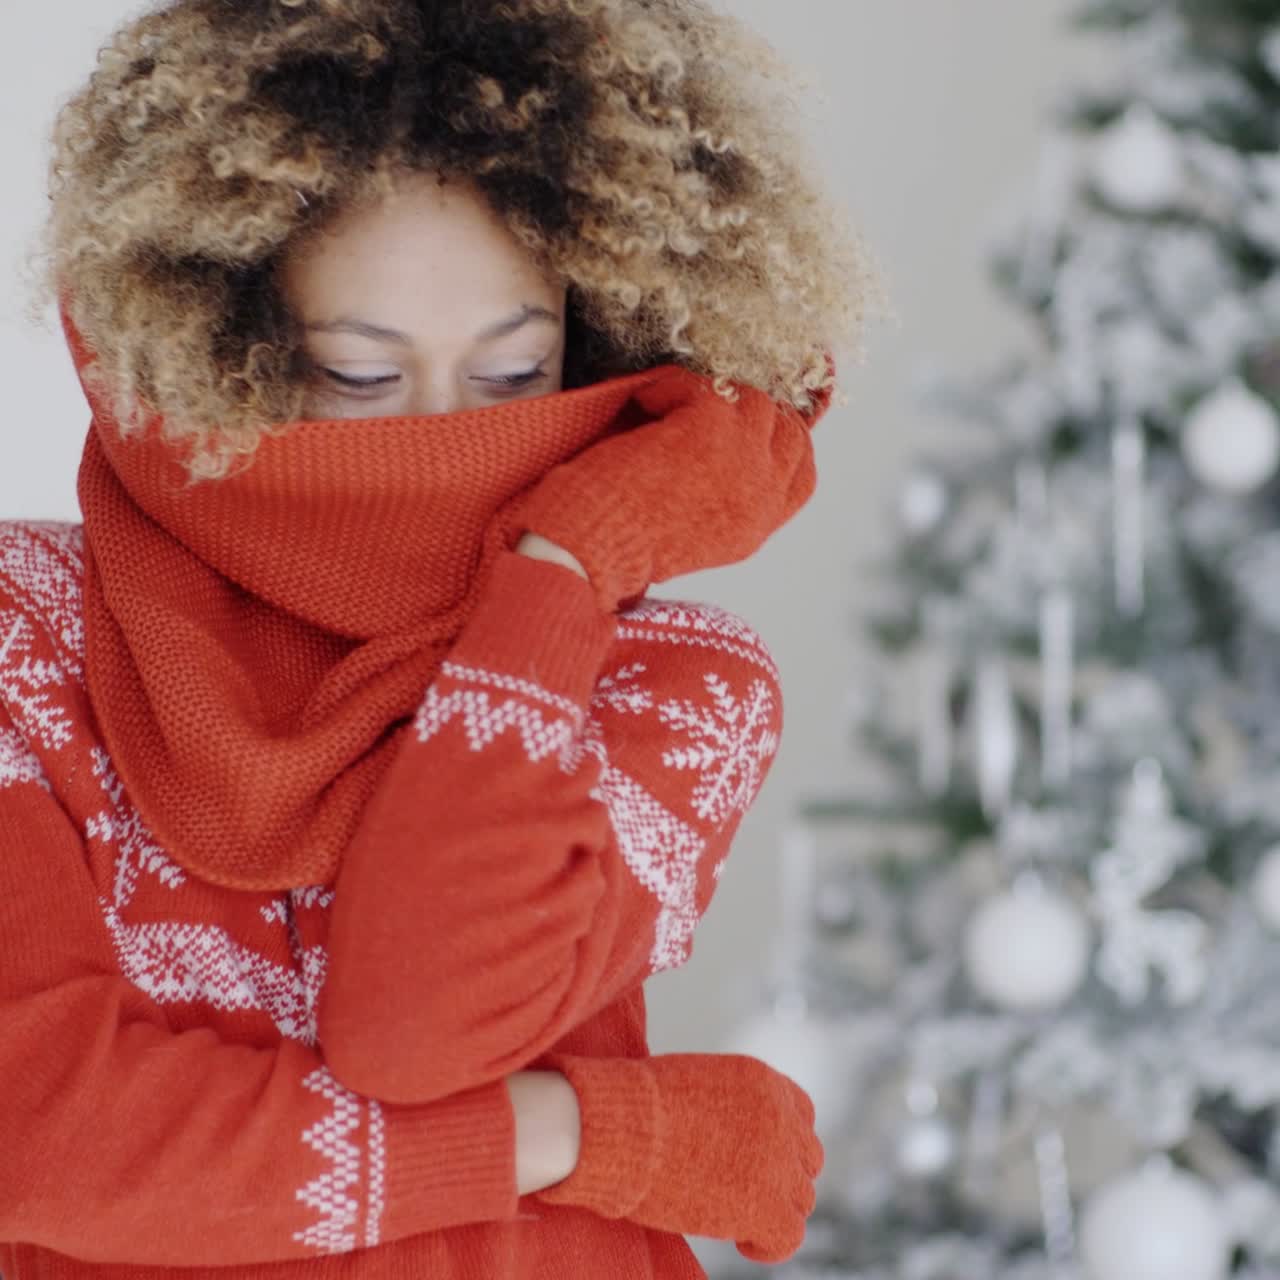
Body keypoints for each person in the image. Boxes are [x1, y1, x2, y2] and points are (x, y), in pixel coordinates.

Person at [0, 2, 876, 1278]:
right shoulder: (28, 636)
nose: (444, 435)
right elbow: (47, 1139)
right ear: (218, 341)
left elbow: (419, 1023)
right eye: (359, 375)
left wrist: (565, 564)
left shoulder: (671, 680)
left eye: (512, 375)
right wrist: (585, 1133)